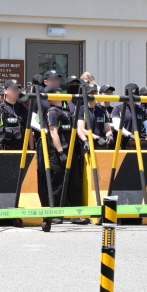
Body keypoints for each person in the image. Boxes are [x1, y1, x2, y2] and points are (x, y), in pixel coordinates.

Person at [45, 86, 84, 214]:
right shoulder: (52, 112)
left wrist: (85, 140)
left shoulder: (66, 111)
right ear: (54, 94)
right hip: (59, 153)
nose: (61, 93)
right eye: (58, 91)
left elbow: (77, 128)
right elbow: (53, 132)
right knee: (58, 184)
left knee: (74, 184)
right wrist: (60, 151)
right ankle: (56, 213)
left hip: (72, 150)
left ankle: (75, 214)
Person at [0, 80, 28, 151]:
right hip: (4, 148)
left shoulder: (23, 108)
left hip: (21, 149)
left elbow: (29, 129)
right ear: (5, 91)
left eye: (17, 89)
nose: (15, 91)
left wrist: (31, 148)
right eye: (13, 89)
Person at [77, 83, 113, 150]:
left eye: (94, 92)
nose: (92, 95)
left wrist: (110, 135)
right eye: (90, 93)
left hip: (100, 144)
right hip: (86, 145)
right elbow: (82, 129)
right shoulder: (80, 110)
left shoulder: (102, 111)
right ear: (86, 94)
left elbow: (107, 129)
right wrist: (97, 137)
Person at [111, 83, 147, 149]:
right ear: (125, 95)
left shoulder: (141, 109)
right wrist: (130, 135)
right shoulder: (117, 109)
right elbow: (117, 126)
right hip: (121, 146)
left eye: (134, 97)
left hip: (137, 145)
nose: (132, 99)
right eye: (130, 97)